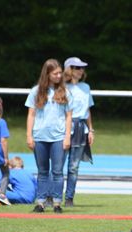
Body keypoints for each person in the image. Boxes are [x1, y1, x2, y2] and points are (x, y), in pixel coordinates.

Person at [26, 59, 73, 213]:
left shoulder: (65, 92)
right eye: (55, 73)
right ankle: (40, 202)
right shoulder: (36, 91)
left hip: (58, 137)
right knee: (42, 171)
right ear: (47, 74)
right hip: (40, 137)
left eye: (60, 73)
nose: (59, 76)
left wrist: (67, 137)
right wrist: (29, 136)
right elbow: (31, 114)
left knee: (58, 172)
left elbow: (68, 116)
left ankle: (57, 203)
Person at [63, 57, 95, 207]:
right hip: (63, 128)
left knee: (74, 166)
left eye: (82, 68)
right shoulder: (61, 87)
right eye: (77, 67)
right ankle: (51, 197)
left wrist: (91, 130)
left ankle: (69, 198)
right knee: (57, 165)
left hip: (81, 128)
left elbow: (87, 110)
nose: (81, 70)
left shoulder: (86, 87)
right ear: (69, 69)